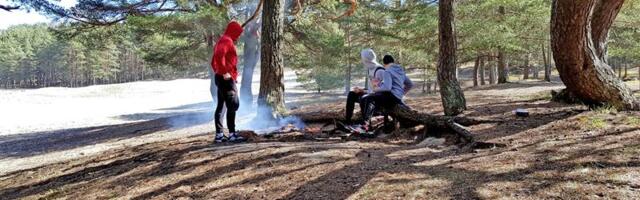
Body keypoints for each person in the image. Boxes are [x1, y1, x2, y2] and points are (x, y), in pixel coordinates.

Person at [359, 55, 414, 132]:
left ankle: (365, 125)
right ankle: (370, 123)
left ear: (384, 63)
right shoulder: (400, 70)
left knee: (366, 98)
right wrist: (402, 93)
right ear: (393, 62)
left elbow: (387, 87)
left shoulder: (387, 71)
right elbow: (410, 84)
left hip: (390, 97)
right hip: (397, 98)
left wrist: (375, 89)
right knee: (372, 99)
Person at [211, 21, 245, 143]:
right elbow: (219, 55)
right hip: (225, 79)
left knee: (222, 106)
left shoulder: (222, 40)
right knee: (233, 104)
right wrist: (225, 72)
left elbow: (213, 61)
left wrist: (218, 71)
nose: (239, 36)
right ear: (233, 31)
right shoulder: (226, 40)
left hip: (220, 78)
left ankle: (219, 135)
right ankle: (232, 134)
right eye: (238, 33)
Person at [345, 49, 386, 125]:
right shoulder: (369, 69)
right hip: (371, 94)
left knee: (365, 98)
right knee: (351, 94)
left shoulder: (380, 71)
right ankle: (348, 121)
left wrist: (364, 91)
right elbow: (372, 89)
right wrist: (361, 90)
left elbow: (381, 90)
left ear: (366, 59)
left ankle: (365, 124)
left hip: (379, 98)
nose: (362, 60)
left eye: (362, 58)